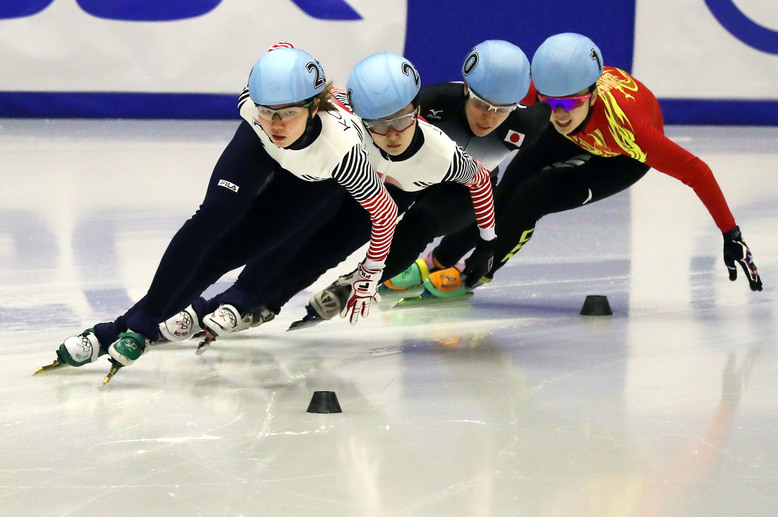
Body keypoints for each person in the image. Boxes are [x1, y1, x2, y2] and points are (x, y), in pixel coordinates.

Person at [37, 44, 398, 382]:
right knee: (213, 219)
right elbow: (280, 51)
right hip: (258, 149)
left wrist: (370, 271)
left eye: (288, 114)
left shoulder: (344, 152)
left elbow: (382, 214)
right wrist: (273, 97)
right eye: (268, 111)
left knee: (230, 254)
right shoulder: (252, 108)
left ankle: (118, 330)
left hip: (313, 178)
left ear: (314, 108)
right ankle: (141, 326)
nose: (276, 123)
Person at [153, 51, 501, 346]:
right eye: (376, 124)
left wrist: (487, 243)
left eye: (401, 121)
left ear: (417, 113)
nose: (390, 134)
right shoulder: (345, 119)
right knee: (294, 228)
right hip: (343, 180)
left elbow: (482, 182)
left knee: (325, 251)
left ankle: (263, 302)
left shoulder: (441, 153)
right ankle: (230, 298)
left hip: (383, 196)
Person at [398, 32, 763, 297]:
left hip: (620, 157)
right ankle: (438, 259)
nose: (557, 114)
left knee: (533, 196)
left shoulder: (632, 130)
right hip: (583, 132)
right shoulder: (559, 106)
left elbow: (697, 172)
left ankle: (473, 274)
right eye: (547, 102)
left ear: (590, 95)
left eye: (568, 104)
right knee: (506, 186)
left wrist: (731, 234)